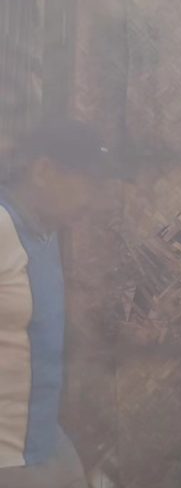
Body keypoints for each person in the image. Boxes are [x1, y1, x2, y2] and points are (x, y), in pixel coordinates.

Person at [0, 118, 115, 488]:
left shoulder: (43, 230)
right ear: (44, 171)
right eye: (89, 183)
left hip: (42, 440)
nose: (94, 200)